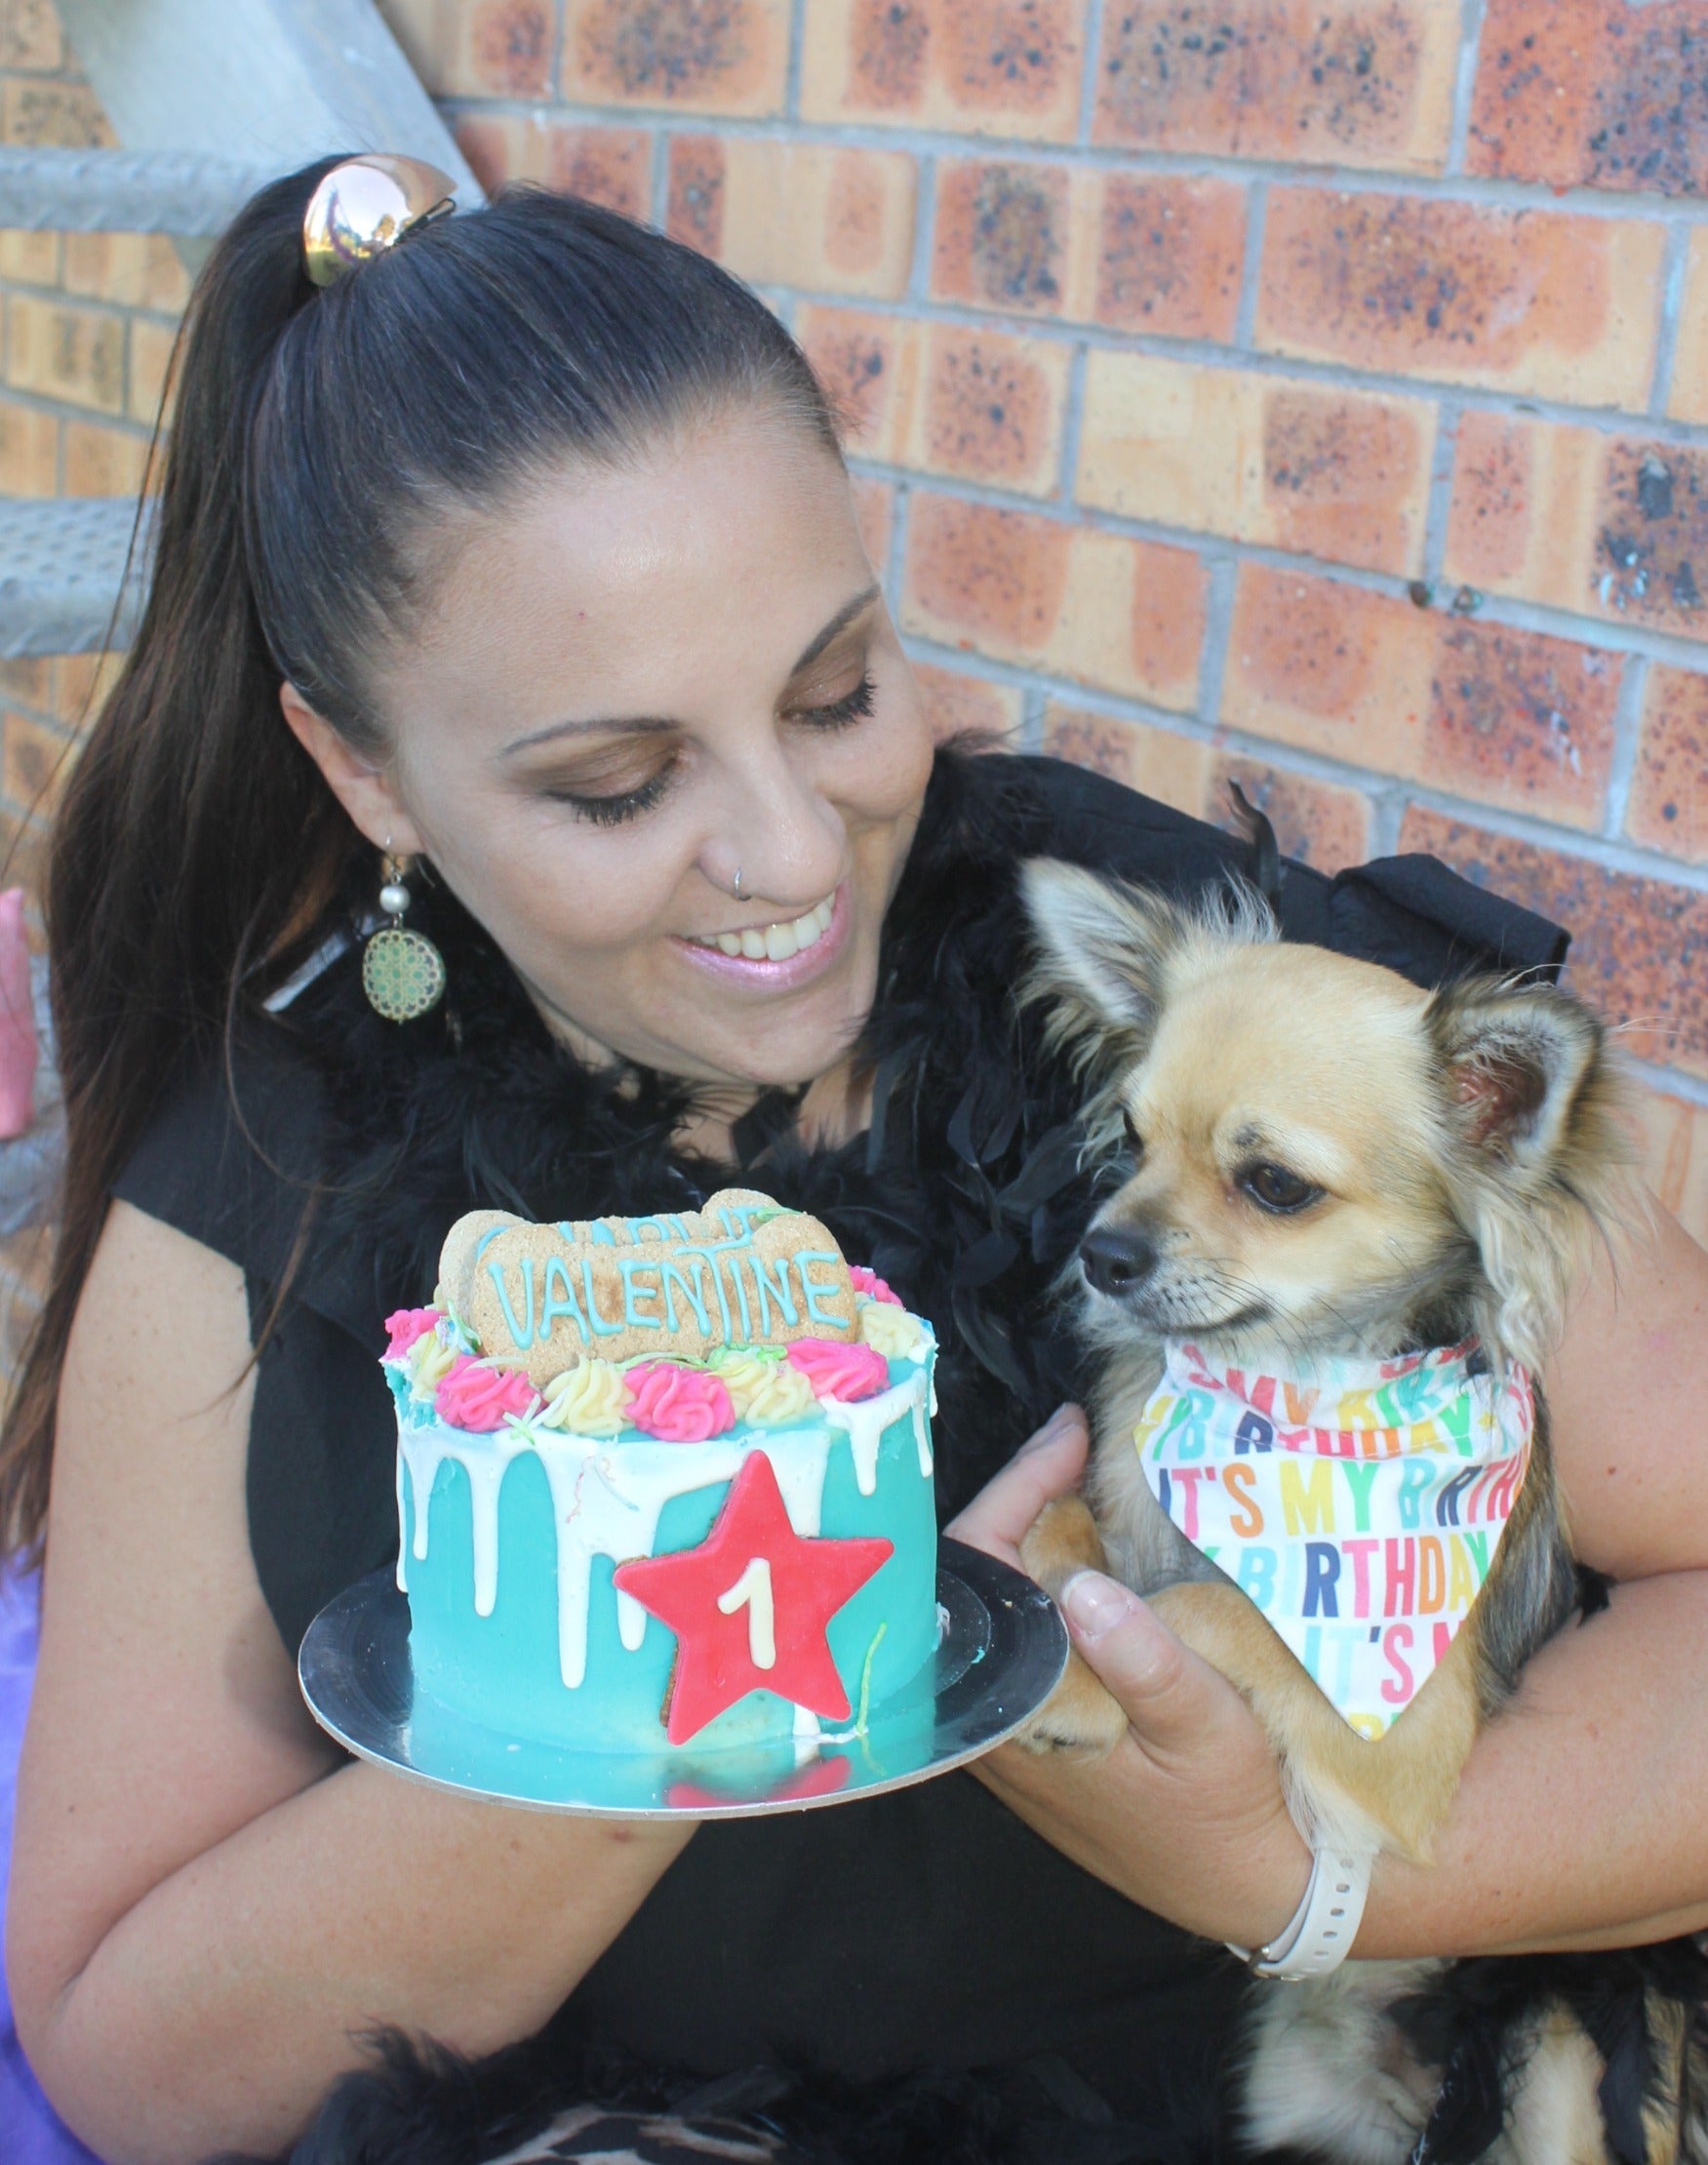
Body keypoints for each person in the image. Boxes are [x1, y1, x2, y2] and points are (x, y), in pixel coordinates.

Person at [3, 158, 1706, 2165]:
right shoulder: (256, 1202)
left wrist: (1304, 1873)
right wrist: (712, 1642)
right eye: (620, 783)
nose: (799, 856)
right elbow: (129, 2048)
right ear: (364, 768)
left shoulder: (1190, 996)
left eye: (840, 692)